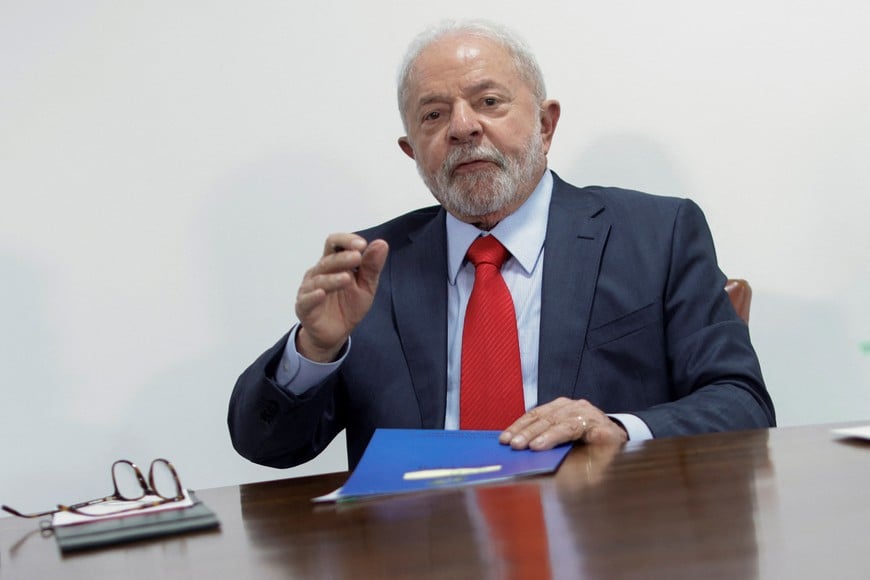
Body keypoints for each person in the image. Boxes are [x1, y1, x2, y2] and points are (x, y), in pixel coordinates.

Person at [228, 19, 775, 470]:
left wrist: (616, 428)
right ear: (411, 150)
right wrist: (314, 350)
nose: (464, 128)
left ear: (545, 125)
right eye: (434, 115)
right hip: (419, 552)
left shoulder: (656, 234)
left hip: (605, 535)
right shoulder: (371, 268)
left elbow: (741, 404)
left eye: (489, 101)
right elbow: (265, 446)